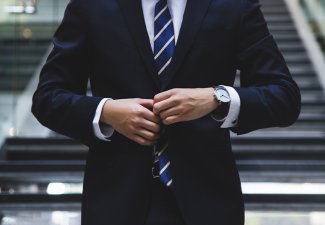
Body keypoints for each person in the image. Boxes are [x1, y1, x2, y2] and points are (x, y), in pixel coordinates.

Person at [32, 0, 301, 224]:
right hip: (115, 200)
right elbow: (47, 98)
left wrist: (217, 97)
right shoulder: (91, 5)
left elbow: (284, 96)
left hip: (208, 202)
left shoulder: (233, 5)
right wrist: (106, 111)